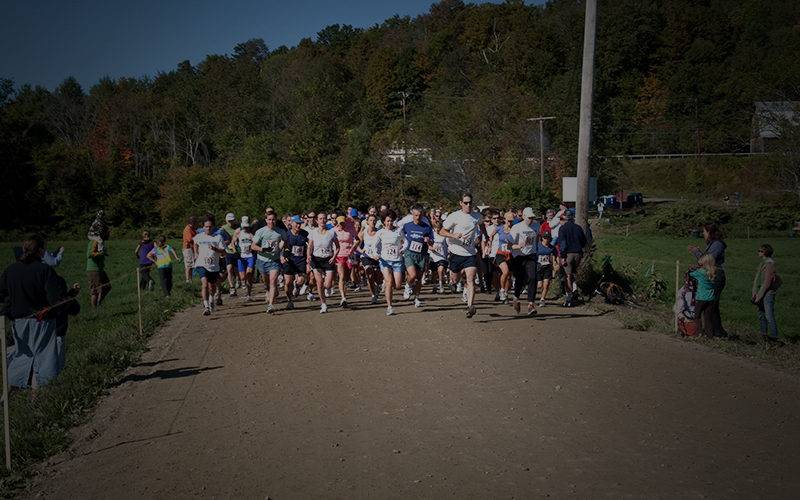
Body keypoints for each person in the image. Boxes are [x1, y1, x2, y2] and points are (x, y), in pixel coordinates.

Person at [0, 235, 62, 388]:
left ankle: (14, 384)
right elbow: (54, 298)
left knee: (22, 354)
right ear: (40, 250)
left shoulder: (10, 270)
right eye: (44, 248)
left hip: (18, 321)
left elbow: (2, 294)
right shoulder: (44, 270)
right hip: (42, 319)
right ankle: (45, 392)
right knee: (45, 357)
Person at [439, 193, 484, 319]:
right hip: (456, 252)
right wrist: (453, 235)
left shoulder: (476, 216)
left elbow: (481, 225)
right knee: (456, 279)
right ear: (461, 203)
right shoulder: (454, 216)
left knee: (470, 278)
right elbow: (442, 231)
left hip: (470, 253)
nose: (468, 205)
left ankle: (470, 306)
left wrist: (484, 236)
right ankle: (452, 280)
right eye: (465, 203)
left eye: (470, 202)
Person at [687, 221, 727, 336]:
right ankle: (713, 331)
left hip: (715, 276)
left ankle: (718, 331)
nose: (703, 234)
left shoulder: (717, 245)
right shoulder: (712, 244)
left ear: (709, 232)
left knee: (712, 305)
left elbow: (707, 260)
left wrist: (697, 252)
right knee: (712, 305)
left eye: (704, 231)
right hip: (711, 275)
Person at [252, 211, 286, 314]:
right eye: (269, 219)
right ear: (266, 220)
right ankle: (267, 289)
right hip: (262, 260)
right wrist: (263, 249)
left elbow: (285, 240)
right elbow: (253, 246)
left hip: (274, 260)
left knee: (273, 281)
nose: (272, 222)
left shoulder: (280, 231)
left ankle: (270, 304)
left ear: (276, 220)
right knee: (266, 282)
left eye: (273, 219)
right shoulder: (260, 232)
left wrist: (281, 249)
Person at [193, 214, 228, 316]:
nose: (208, 228)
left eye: (210, 226)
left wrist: (214, 249)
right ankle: (206, 306)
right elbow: (195, 243)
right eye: (206, 226)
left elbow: (223, 252)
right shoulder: (199, 236)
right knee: (204, 284)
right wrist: (196, 253)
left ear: (213, 227)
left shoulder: (218, 237)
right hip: (201, 264)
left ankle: (211, 299)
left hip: (213, 266)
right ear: (203, 227)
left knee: (211, 287)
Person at [401, 204, 434, 308]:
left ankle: (417, 297)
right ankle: (408, 285)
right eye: (416, 215)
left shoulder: (427, 227)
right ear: (412, 215)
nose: (417, 217)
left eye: (419, 215)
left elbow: (432, 242)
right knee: (413, 274)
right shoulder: (407, 225)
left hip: (421, 255)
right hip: (409, 253)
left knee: (419, 278)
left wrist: (428, 241)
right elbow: (400, 235)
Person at [307, 212, 340, 313]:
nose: (322, 220)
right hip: (316, 259)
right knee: (319, 283)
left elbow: (338, 247)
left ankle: (327, 290)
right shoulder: (313, 233)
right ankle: (323, 304)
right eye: (320, 219)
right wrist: (308, 256)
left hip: (328, 259)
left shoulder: (331, 232)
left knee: (328, 284)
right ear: (317, 221)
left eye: (324, 218)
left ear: (327, 220)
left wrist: (334, 257)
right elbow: (310, 247)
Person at [509, 207, 539, 316]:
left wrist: (535, 249)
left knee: (532, 277)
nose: (530, 220)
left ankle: (531, 304)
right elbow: (509, 245)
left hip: (531, 256)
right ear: (524, 217)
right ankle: (516, 297)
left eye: (532, 218)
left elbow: (537, 239)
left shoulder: (537, 226)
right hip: (518, 256)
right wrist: (519, 246)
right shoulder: (517, 228)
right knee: (520, 279)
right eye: (529, 218)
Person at [375, 210, 404, 315]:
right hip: (385, 260)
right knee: (389, 283)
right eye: (387, 221)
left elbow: (406, 241)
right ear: (383, 221)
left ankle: (387, 285)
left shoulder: (398, 231)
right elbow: (374, 245)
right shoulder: (380, 232)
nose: (389, 223)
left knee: (397, 285)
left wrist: (403, 248)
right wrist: (375, 254)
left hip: (397, 260)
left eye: (391, 221)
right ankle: (389, 306)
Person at [557, 210, 587, 307]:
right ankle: (575, 289)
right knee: (572, 273)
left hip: (568, 254)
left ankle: (569, 298)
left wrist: (562, 256)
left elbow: (562, 244)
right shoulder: (578, 228)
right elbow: (584, 241)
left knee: (567, 276)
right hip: (578, 253)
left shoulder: (563, 229)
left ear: (565, 218)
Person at [752, 244, 781, 339]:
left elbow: (767, 282)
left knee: (769, 316)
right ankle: (763, 336)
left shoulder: (770, 264)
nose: (758, 252)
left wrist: (759, 296)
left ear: (764, 252)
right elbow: (757, 279)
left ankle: (774, 338)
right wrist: (754, 293)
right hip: (760, 292)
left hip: (767, 294)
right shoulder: (762, 263)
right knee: (762, 316)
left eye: (759, 251)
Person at [280, 215, 309, 311]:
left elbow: (310, 245)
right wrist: (281, 257)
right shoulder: (286, 235)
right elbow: (279, 247)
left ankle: (297, 287)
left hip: (300, 260)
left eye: (300, 223)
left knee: (301, 280)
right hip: (289, 261)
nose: (298, 225)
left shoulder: (305, 234)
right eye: (297, 223)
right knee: (288, 282)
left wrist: (309, 256)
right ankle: (289, 301)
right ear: (291, 224)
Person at [334, 214, 361, 308]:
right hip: (339, 255)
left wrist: (353, 247)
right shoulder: (334, 230)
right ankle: (343, 298)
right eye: (340, 223)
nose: (342, 224)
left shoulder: (350, 229)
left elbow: (358, 240)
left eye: (343, 222)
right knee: (341, 276)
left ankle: (344, 291)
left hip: (349, 254)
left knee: (346, 277)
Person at [690, 253, 717, 338]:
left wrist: (698, 265)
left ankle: (699, 333)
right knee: (707, 318)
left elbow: (691, 273)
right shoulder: (713, 272)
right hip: (711, 298)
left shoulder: (700, 272)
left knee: (697, 316)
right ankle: (709, 335)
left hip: (701, 297)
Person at [491, 212, 515, 304]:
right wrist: (489, 244)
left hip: (511, 254)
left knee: (509, 276)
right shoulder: (499, 228)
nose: (509, 223)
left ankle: (505, 293)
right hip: (501, 253)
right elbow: (492, 235)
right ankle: (501, 289)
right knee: (505, 271)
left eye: (511, 221)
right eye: (508, 221)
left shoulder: (514, 229)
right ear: (504, 220)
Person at [359, 213, 383, 304]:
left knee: (379, 279)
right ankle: (373, 295)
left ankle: (377, 286)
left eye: (374, 221)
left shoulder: (380, 232)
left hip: (377, 257)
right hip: (366, 256)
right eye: (370, 220)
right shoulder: (364, 232)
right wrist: (360, 250)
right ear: (367, 222)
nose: (372, 222)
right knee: (370, 276)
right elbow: (357, 243)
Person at [231, 216, 255, 301]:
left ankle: (249, 293)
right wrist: (235, 252)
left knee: (249, 274)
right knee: (242, 277)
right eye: (244, 227)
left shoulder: (251, 232)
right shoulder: (238, 232)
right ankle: (242, 281)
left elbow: (256, 241)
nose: (246, 229)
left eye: (247, 227)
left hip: (250, 256)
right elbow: (233, 242)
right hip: (241, 256)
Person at [87, 228, 111, 308]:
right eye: (107, 233)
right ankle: (94, 309)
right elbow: (89, 254)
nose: (109, 235)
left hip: (100, 269)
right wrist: (101, 254)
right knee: (95, 291)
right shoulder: (94, 242)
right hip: (93, 270)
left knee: (107, 286)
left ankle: (98, 302)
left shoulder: (101, 243)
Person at [221, 213, 240, 297]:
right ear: (226, 221)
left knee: (237, 270)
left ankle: (238, 279)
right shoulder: (223, 228)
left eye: (232, 221)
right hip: (228, 252)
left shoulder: (238, 227)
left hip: (237, 252)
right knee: (229, 268)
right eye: (229, 221)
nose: (231, 223)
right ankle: (232, 287)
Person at [536, 231, 556, 307]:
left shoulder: (551, 247)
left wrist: (556, 263)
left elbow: (556, 255)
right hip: (538, 268)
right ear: (542, 238)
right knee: (539, 286)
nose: (546, 240)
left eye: (548, 238)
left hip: (547, 267)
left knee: (546, 283)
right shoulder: (538, 246)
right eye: (545, 238)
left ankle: (542, 299)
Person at [429, 221, 449, 294]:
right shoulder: (432, 235)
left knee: (440, 270)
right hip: (433, 257)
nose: (437, 230)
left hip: (442, 256)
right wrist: (433, 248)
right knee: (434, 273)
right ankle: (434, 286)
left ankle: (441, 284)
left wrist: (449, 252)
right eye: (435, 228)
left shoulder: (444, 236)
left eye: (438, 228)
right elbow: (429, 247)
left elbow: (448, 244)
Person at [182, 216, 198, 283]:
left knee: (191, 264)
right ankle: (188, 279)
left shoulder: (192, 228)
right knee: (188, 264)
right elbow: (189, 239)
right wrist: (197, 236)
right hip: (188, 248)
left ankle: (190, 279)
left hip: (192, 247)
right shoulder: (188, 229)